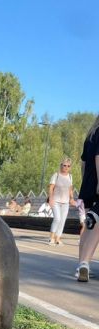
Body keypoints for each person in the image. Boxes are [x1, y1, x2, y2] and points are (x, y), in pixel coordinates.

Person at [75, 115, 99, 282]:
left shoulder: (91, 134)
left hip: (88, 183)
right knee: (96, 226)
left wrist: (86, 183)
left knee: (88, 226)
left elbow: (83, 163)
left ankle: (81, 265)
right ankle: (85, 263)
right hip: (98, 182)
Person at [48, 157, 75, 245]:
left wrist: (72, 198)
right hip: (55, 201)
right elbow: (51, 188)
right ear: (61, 166)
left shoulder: (70, 176)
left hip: (65, 202)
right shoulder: (56, 175)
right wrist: (51, 199)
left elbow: (70, 189)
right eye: (64, 165)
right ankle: (51, 237)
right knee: (57, 218)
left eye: (68, 166)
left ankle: (58, 238)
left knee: (62, 220)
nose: (66, 167)